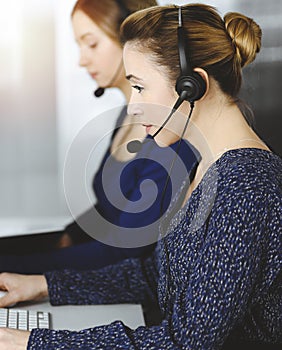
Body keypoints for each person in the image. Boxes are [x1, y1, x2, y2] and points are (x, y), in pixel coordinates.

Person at [0, 3, 281, 349]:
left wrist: (35, 342)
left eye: (140, 87)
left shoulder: (246, 185)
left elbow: (185, 341)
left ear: (192, 86)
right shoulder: (203, 167)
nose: (133, 105)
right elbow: (156, 275)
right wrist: (43, 285)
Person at [0, 0, 198, 273]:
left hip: (131, 294)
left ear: (128, 38)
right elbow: (107, 212)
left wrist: (13, 269)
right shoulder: (127, 117)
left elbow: (122, 250)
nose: (82, 60)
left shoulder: (165, 134)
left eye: (91, 44)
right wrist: (67, 236)